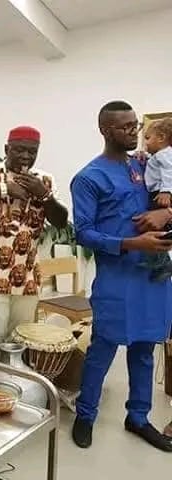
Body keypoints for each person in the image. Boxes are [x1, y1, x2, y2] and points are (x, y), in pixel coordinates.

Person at [70, 100, 172, 452]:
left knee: (144, 349)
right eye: (126, 127)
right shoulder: (89, 177)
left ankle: (138, 417)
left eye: (135, 125)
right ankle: (85, 415)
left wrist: (167, 214)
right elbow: (83, 233)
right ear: (105, 130)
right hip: (117, 277)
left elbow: (165, 200)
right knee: (103, 347)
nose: (134, 132)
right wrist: (131, 242)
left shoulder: (147, 165)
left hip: (153, 275)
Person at [0, 126, 68, 361]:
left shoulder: (44, 180)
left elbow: (61, 221)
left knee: (20, 340)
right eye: (19, 150)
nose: (25, 157)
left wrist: (44, 195)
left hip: (28, 274)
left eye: (32, 152)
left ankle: (16, 381)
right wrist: (4, 189)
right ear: (6, 149)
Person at [141, 118, 172, 280]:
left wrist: (166, 191)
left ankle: (162, 262)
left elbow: (169, 171)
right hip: (158, 193)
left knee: (154, 230)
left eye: (148, 138)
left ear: (161, 138)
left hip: (160, 194)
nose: (145, 143)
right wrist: (142, 155)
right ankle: (160, 261)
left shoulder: (164, 155)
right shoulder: (158, 155)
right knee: (159, 230)